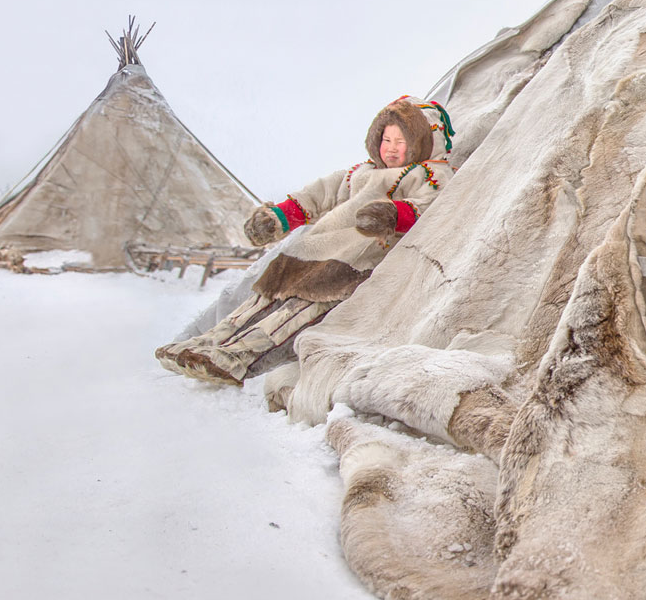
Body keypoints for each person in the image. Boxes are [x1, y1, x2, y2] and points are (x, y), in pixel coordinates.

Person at [156, 96, 456, 385]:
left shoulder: (428, 174)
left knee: (294, 312)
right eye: (386, 140)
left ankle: (236, 357)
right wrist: (278, 218)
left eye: (400, 142)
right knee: (264, 296)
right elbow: (318, 195)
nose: (390, 150)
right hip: (312, 248)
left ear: (421, 142)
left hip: (355, 257)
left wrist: (390, 215)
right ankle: (206, 344)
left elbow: (429, 206)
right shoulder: (359, 172)